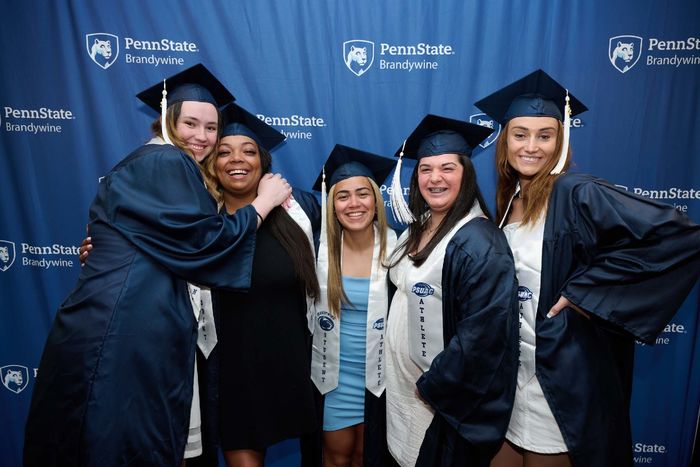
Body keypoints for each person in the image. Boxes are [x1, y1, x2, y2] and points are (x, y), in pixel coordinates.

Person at [23, 64, 292, 467]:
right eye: (190, 123)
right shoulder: (165, 161)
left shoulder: (157, 164)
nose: (201, 137)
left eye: (210, 127)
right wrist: (263, 202)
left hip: (121, 325)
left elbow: (155, 237)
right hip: (123, 332)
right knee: (118, 444)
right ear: (167, 120)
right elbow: (204, 244)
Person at [474, 69, 700, 467]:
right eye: (520, 134)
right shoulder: (509, 203)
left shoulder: (575, 191)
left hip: (558, 379)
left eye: (545, 135)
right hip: (512, 378)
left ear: (560, 141)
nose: (532, 146)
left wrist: (586, 293)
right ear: (504, 141)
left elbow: (680, 237)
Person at [384, 115, 519, 467]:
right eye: (425, 169)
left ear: (466, 174)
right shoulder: (419, 225)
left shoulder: (479, 240)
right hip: (404, 391)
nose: (435, 178)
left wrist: (434, 385)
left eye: (447, 168)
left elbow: (483, 336)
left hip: (438, 402)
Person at [202, 102, 321, 467]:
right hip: (234, 374)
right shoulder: (201, 222)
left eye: (248, 151)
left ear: (263, 161)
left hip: (294, 364)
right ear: (212, 164)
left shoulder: (299, 211)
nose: (237, 159)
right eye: (224, 151)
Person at [309, 145, 397, 467]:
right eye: (342, 196)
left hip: (384, 377)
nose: (354, 204)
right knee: (335, 458)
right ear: (332, 206)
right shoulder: (318, 251)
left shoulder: (400, 250)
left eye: (363, 193)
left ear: (376, 199)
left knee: (368, 457)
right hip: (334, 376)